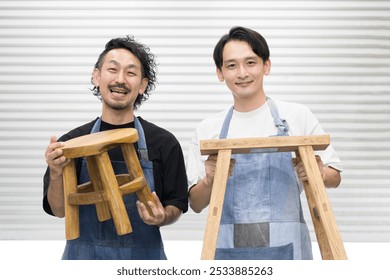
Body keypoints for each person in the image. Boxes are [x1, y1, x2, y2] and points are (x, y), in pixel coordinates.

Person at [186, 26, 343, 260]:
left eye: (251, 62)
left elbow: (335, 176)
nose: (242, 73)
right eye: (231, 65)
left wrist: (317, 171)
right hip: (231, 251)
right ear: (220, 73)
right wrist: (210, 180)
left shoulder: (297, 115)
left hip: (289, 247)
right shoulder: (208, 129)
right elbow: (196, 203)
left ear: (266, 66)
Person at [43, 35, 188, 260]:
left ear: (142, 85)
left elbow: (176, 205)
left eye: (130, 73)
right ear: (96, 76)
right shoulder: (71, 143)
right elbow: (59, 210)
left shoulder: (163, 143)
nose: (120, 79)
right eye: (113, 69)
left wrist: (163, 216)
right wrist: (55, 172)